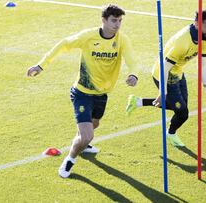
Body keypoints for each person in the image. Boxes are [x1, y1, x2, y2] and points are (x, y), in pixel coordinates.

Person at [27, 4, 139, 178]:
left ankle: (82, 145)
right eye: (113, 20)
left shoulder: (122, 39)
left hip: (102, 94)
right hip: (82, 92)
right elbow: (64, 44)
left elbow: (131, 58)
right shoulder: (88, 37)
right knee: (87, 135)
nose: (117, 25)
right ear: (103, 20)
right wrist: (42, 65)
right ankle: (70, 159)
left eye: (120, 21)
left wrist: (133, 74)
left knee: (94, 125)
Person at [126, 10, 206, 147]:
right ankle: (171, 133)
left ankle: (138, 102)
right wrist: (163, 92)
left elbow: (203, 67)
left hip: (178, 72)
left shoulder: (204, 38)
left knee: (181, 107)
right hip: (163, 73)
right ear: (197, 24)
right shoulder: (182, 41)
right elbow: (164, 68)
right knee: (183, 113)